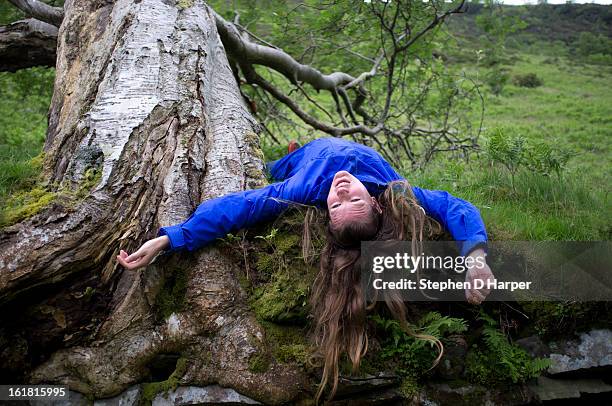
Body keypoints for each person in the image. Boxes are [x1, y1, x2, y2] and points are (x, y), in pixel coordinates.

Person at [116, 137, 494, 402]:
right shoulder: (395, 190)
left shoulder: (305, 189)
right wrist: (475, 257)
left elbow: (238, 207)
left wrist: (170, 238)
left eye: (337, 203)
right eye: (352, 200)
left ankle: (286, 156)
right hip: (341, 152)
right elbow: (456, 207)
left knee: (275, 171)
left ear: (323, 211)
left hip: (308, 158)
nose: (342, 189)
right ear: (376, 205)